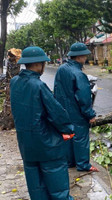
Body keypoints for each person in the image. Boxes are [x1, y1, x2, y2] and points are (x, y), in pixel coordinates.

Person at [10, 46, 74, 200]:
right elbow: (56, 113)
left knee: (36, 188)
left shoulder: (14, 82)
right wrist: (68, 129)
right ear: (39, 64)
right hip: (47, 145)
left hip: (26, 145)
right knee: (58, 189)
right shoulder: (38, 86)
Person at [54, 42, 98, 172]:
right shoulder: (79, 74)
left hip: (63, 110)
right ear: (79, 57)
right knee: (81, 138)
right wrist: (90, 114)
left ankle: (70, 162)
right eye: (85, 56)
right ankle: (83, 164)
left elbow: (56, 90)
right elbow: (84, 97)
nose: (85, 59)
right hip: (77, 112)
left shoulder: (61, 69)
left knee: (68, 136)